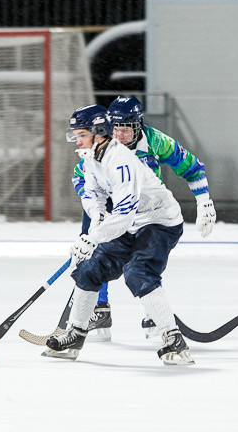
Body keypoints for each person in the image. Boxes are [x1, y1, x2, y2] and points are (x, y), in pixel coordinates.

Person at [43, 104, 193, 364]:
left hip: (159, 220)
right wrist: (89, 235)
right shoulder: (90, 158)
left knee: (138, 272)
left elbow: (122, 216)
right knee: (90, 267)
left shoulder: (121, 161)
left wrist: (95, 238)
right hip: (131, 222)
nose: (77, 141)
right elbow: (94, 200)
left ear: (99, 132)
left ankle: (173, 339)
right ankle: (75, 334)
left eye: (81, 134)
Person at [68, 95, 214, 342]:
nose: (121, 135)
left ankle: (153, 312)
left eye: (127, 128)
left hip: (147, 209)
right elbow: (81, 176)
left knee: (144, 260)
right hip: (109, 204)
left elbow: (191, 167)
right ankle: (99, 309)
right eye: (116, 128)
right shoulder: (101, 147)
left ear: (139, 125)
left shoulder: (156, 140)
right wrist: (96, 212)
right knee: (95, 256)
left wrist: (204, 202)